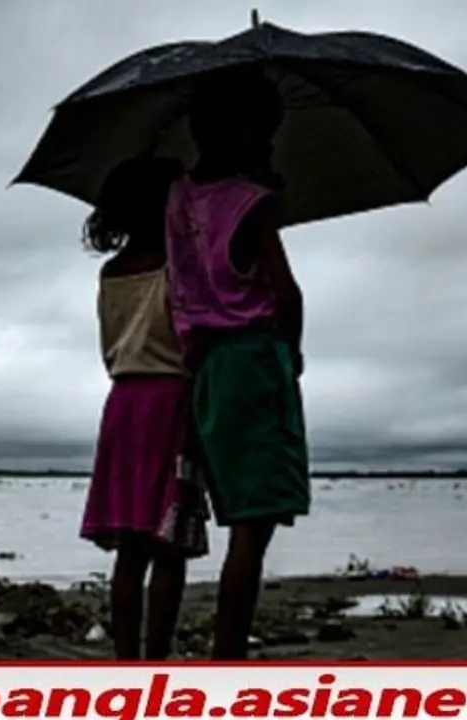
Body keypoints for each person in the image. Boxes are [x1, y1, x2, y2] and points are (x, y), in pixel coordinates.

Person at [164, 66, 310, 660]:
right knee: (254, 526)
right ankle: (228, 655)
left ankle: (227, 652)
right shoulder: (252, 203)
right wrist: (293, 352)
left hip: (207, 369)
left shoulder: (176, 196)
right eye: (265, 130)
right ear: (240, 131)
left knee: (238, 517)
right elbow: (287, 293)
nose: (270, 143)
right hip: (254, 359)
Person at [78, 154, 210, 660]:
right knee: (171, 544)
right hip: (172, 403)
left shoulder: (112, 273)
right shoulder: (176, 267)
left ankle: (127, 663)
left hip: (123, 406)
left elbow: (109, 345)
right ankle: (156, 661)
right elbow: (192, 339)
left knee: (132, 547)